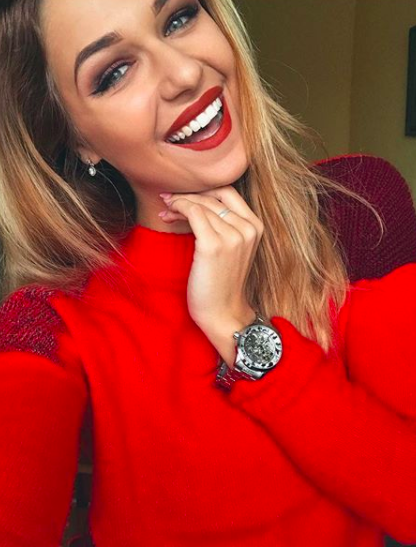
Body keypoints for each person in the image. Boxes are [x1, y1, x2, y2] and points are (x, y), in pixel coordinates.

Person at [0, 0, 415, 546]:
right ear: (77, 139)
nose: (184, 74)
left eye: (178, 18)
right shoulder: (51, 318)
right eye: (114, 72)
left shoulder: (356, 209)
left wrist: (237, 328)